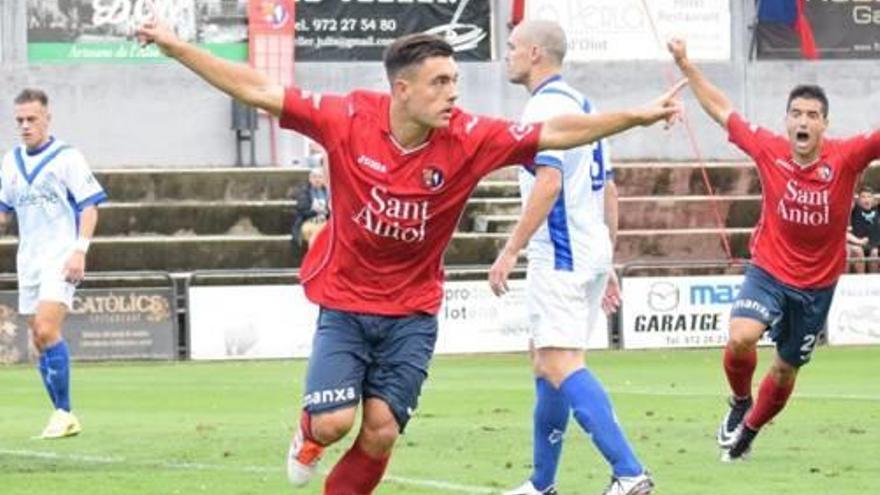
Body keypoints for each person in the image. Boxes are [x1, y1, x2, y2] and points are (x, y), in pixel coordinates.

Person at [137, 21, 684, 494]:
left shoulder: (469, 136)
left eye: (456, 81)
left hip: (413, 312)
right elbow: (257, 88)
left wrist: (634, 116)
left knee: (380, 430)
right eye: (440, 83)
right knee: (332, 423)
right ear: (402, 90)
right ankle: (307, 435)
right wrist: (175, 47)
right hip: (347, 304)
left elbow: (557, 132)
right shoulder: (346, 117)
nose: (453, 95)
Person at [668, 38, 880, 462]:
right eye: (797, 114)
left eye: (813, 116)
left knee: (785, 369)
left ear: (824, 124)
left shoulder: (847, 157)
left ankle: (750, 429)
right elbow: (722, 109)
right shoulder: (769, 149)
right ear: (786, 121)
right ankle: (740, 401)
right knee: (741, 337)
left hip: (817, 285)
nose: (804, 121)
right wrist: (687, 65)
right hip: (768, 268)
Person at [489, 21, 651, 495]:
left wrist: (511, 248)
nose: (508, 55)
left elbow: (550, 181)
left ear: (535, 53)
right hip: (590, 246)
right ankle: (542, 484)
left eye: (514, 47)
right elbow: (610, 187)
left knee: (559, 361)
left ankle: (629, 471)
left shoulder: (544, 107)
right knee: (546, 360)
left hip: (559, 251)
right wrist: (608, 257)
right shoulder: (585, 104)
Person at [0, 88, 107, 438]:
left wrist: (80, 250)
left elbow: (89, 206)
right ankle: (61, 414)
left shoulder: (67, 158)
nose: (26, 126)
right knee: (38, 336)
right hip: (28, 260)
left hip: (60, 257)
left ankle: (64, 412)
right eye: (20, 121)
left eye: (32, 119)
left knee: (46, 328)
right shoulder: (10, 161)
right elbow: (4, 213)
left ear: (48, 118)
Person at [291, 166, 330, 254]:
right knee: (315, 234)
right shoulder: (304, 192)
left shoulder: (328, 192)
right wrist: (316, 211)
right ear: (310, 179)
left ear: (324, 179)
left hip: (326, 222)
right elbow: (302, 209)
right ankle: (314, 261)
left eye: (320, 177)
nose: (317, 180)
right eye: (314, 177)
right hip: (308, 221)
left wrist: (325, 211)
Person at [846, 186, 880, 273]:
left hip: (874, 245)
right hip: (858, 244)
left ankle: (873, 280)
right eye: (863, 197)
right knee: (858, 251)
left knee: (874, 253)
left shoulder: (876, 209)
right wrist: (856, 198)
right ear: (858, 200)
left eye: (869, 197)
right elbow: (850, 198)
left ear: (873, 199)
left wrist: (874, 198)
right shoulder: (856, 209)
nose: (866, 199)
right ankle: (861, 278)